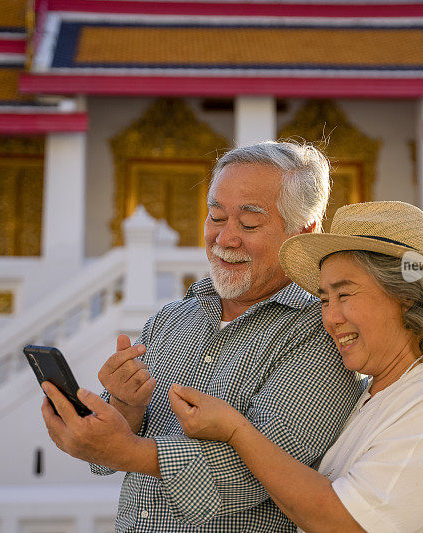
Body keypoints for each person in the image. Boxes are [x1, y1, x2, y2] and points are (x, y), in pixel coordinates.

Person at [40, 141, 365, 531]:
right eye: (215, 216)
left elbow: (263, 470)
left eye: (249, 224)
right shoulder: (172, 319)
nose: (224, 238)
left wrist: (131, 452)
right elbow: (105, 458)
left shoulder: (323, 330)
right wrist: (124, 407)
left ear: (305, 232)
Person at [169, 201, 423, 533]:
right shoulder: (381, 392)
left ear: (406, 296)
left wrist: (235, 431)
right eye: (323, 300)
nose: (330, 319)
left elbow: (342, 523)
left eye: (345, 296)